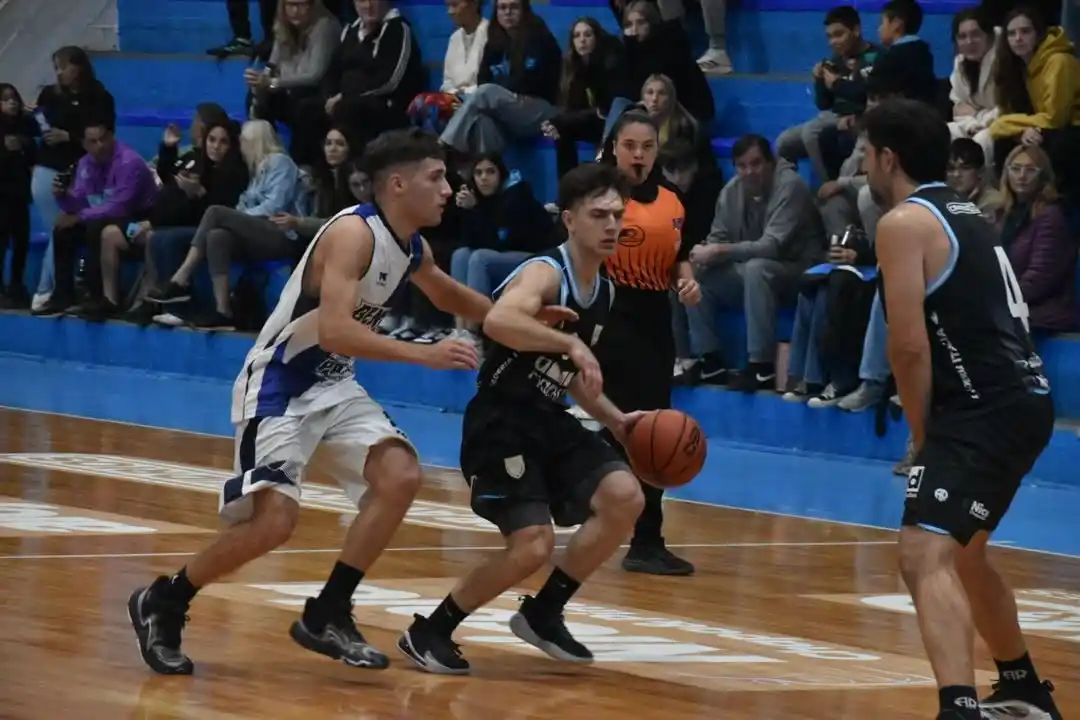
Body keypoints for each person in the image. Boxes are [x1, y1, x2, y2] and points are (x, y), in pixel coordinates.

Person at [126, 128, 497, 676]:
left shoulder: (410, 245)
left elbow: (447, 293)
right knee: (274, 525)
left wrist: (521, 321)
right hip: (277, 384)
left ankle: (327, 612)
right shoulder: (353, 234)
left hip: (332, 383)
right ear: (398, 184)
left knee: (400, 475)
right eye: (436, 176)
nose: (449, 188)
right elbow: (336, 332)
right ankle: (165, 599)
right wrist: (426, 355)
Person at [396, 163, 647, 674]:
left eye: (618, 215)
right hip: (501, 421)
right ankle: (430, 630)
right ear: (570, 219)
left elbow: (568, 373)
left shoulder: (606, 288)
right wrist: (569, 341)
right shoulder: (545, 272)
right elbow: (497, 319)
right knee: (532, 545)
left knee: (625, 497)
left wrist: (619, 421)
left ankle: (544, 612)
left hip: (548, 417)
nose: (611, 225)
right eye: (599, 215)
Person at [865, 97, 1061, 720]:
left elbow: (908, 347)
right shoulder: (968, 213)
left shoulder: (902, 223)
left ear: (887, 158)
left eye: (867, 153)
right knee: (963, 551)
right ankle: (1024, 686)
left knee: (922, 551)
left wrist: (924, 436)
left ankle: (959, 708)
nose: (864, 164)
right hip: (1024, 398)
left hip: (984, 409)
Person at [597, 110, 700, 575]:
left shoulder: (674, 199)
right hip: (608, 313)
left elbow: (680, 258)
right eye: (629, 146)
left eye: (647, 147)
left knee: (648, 426)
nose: (638, 155)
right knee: (633, 427)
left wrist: (688, 280)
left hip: (657, 316)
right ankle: (637, 532)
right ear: (614, 146)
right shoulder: (597, 197)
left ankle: (644, 538)